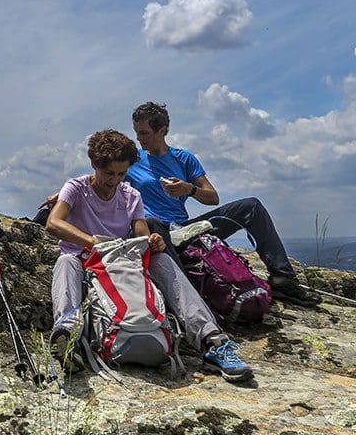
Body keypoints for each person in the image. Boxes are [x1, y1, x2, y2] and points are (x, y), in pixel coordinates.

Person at [47, 130, 253, 382]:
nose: (114, 180)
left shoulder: (130, 194)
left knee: (162, 260)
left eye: (121, 174)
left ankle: (212, 341)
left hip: (120, 260)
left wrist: (151, 241)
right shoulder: (76, 188)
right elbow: (54, 223)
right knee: (66, 261)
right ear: (94, 164)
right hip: (84, 258)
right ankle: (67, 335)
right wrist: (91, 242)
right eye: (108, 173)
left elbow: (140, 231)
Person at [127, 102, 320, 307]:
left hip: (183, 229)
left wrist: (189, 189)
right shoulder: (133, 161)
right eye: (137, 133)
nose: (140, 139)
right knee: (152, 221)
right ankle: (188, 299)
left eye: (145, 133)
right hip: (153, 229)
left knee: (251, 206)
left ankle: (282, 279)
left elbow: (212, 197)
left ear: (163, 130)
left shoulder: (183, 158)